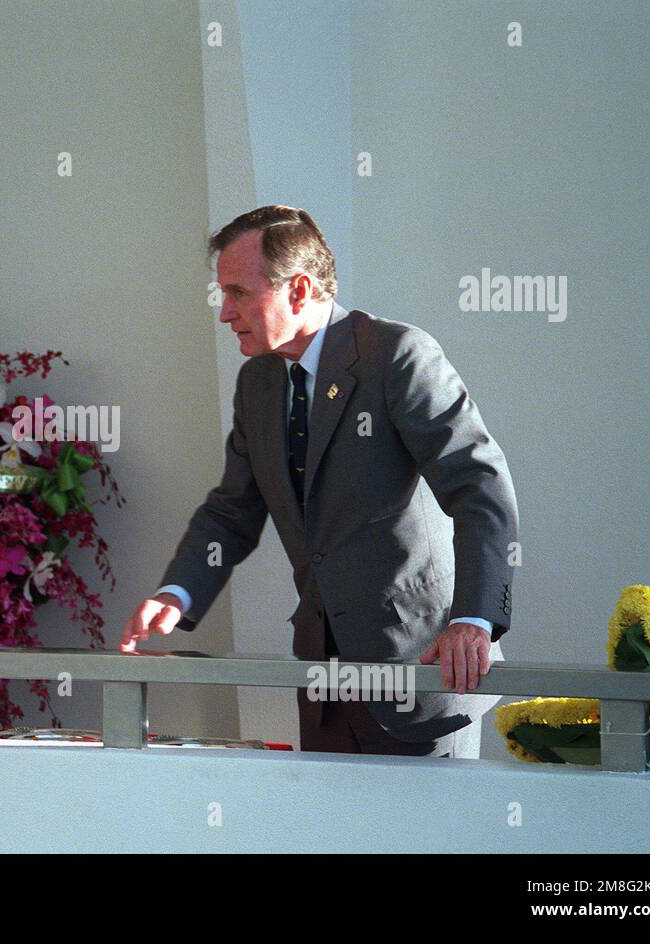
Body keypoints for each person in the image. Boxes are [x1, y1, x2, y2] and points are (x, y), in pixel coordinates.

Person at [121, 205, 519, 758]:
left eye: (237, 293)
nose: (224, 313)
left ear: (300, 289)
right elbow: (233, 509)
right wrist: (178, 589)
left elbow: (481, 488)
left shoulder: (398, 356)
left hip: (421, 674)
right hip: (325, 683)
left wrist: (473, 621)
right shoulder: (258, 382)